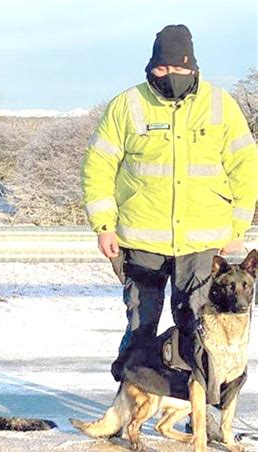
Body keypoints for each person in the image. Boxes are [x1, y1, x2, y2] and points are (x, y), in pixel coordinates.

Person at [82, 25, 257, 382]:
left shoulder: (221, 105)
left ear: (192, 67)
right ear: (151, 67)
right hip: (140, 241)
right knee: (140, 326)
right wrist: (104, 225)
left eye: (178, 69)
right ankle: (127, 404)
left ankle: (201, 412)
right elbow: (98, 166)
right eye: (162, 69)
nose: (170, 76)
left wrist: (237, 228)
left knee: (200, 330)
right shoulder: (127, 105)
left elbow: (245, 167)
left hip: (202, 244)